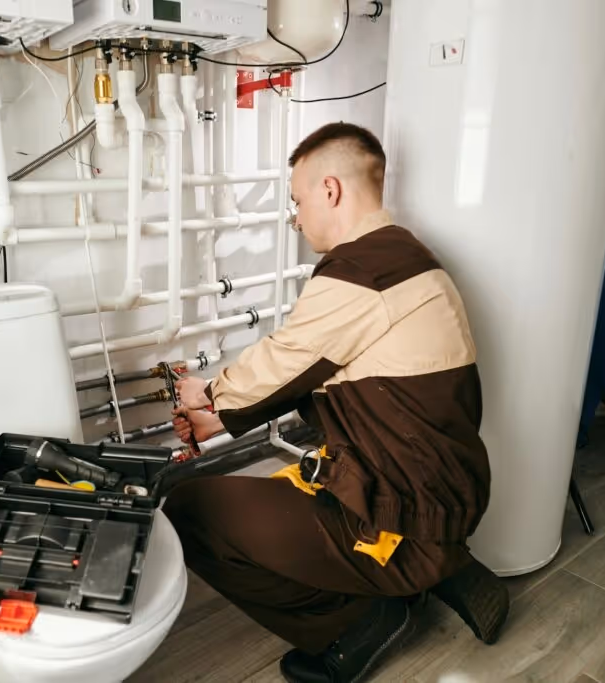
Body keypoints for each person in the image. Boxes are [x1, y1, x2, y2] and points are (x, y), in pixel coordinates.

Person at [163, 122, 508, 683]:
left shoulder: (362, 270)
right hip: (444, 495)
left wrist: (208, 397)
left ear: (330, 189)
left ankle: (360, 623)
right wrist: (219, 412)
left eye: (298, 200)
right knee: (283, 485)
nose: (296, 217)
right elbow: (318, 369)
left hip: (402, 520)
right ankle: (434, 567)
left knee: (190, 511)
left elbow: (287, 358)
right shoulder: (411, 258)